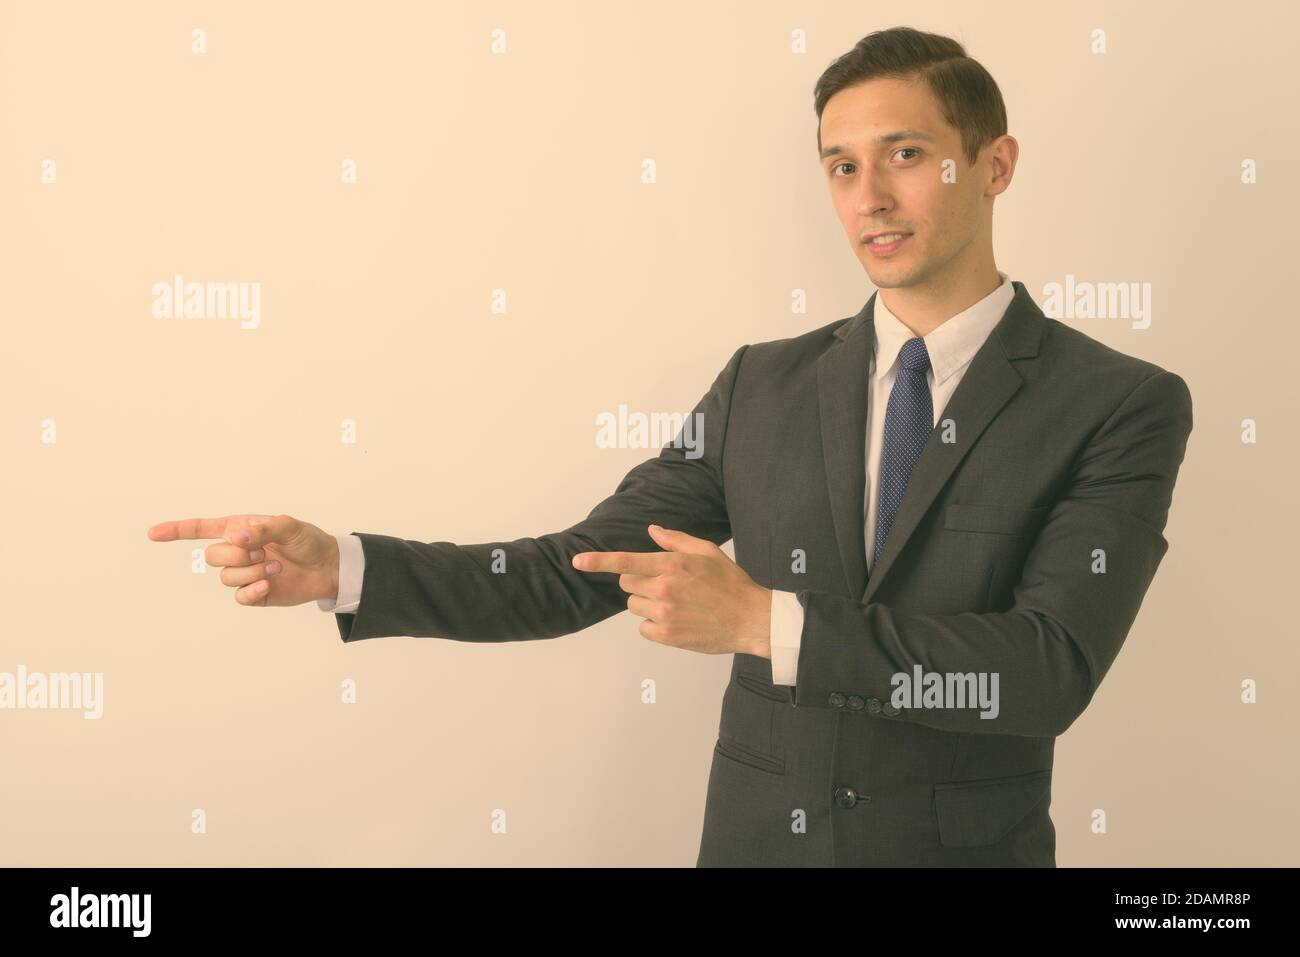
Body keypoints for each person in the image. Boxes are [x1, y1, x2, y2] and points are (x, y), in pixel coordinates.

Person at [148, 26, 1193, 866]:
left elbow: (1046, 671)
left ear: (994, 164)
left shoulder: (1118, 404)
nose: (867, 197)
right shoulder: (762, 385)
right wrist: (349, 567)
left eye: (906, 156)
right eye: (840, 165)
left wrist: (764, 621)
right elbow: (573, 573)